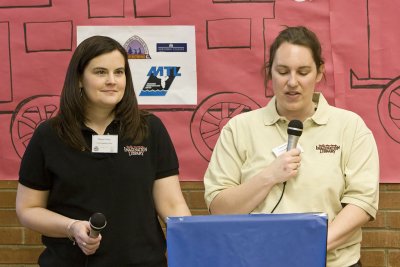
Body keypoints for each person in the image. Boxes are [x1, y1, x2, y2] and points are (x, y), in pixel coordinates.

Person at [204, 26, 379, 267]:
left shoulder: (350, 127)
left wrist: (310, 245)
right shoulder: (239, 128)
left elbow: (362, 202)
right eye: (283, 71)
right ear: (270, 73)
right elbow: (219, 209)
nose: (292, 82)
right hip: (256, 261)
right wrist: (269, 176)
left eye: (303, 71)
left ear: (319, 72)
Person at [16, 35, 191, 267]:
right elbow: (28, 209)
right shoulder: (49, 135)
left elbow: (172, 205)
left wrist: (192, 243)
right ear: (79, 79)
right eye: (100, 72)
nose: (112, 80)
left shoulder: (150, 128)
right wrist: (71, 227)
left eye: (119, 72)